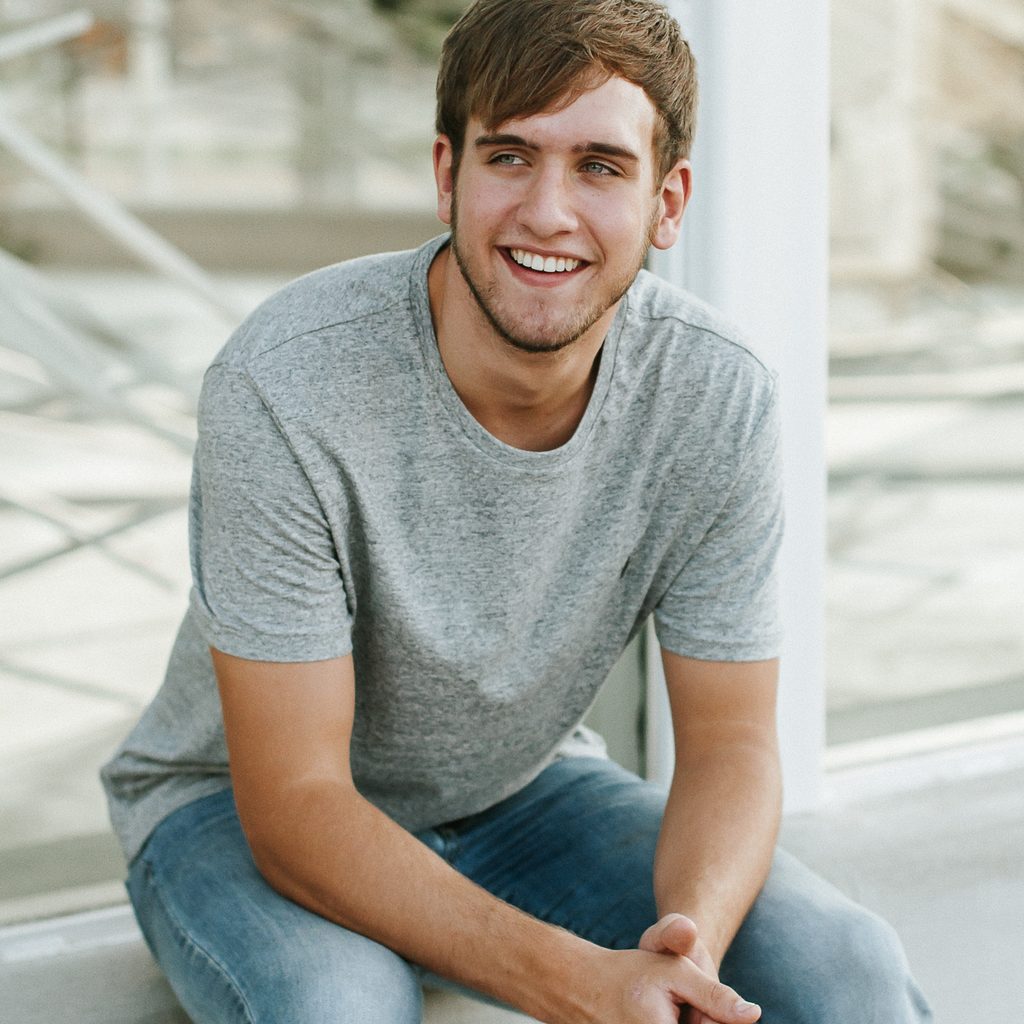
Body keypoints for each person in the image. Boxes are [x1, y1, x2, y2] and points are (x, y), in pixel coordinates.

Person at [101, 1, 933, 1021]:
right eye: (510, 157)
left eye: (600, 166)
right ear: (447, 174)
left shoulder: (713, 395)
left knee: (842, 966)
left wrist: (689, 954)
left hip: (522, 792)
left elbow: (730, 744)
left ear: (666, 202)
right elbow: (296, 802)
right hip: (230, 807)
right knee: (339, 1005)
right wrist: (579, 982)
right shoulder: (288, 383)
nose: (548, 212)